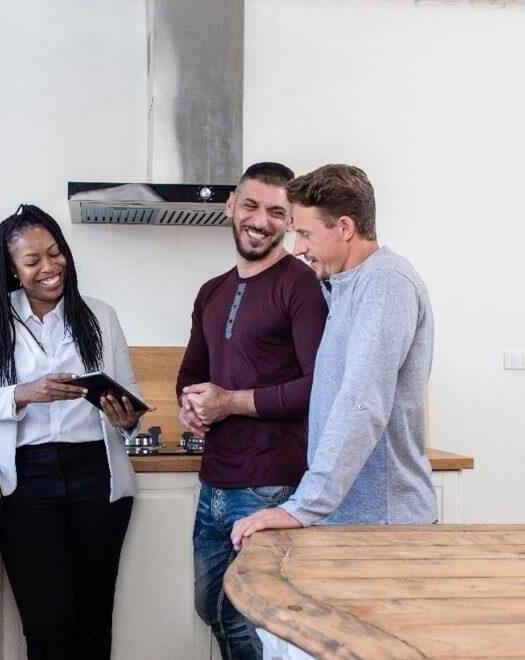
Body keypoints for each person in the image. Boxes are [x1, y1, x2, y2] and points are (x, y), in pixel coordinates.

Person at [0, 204, 151, 660]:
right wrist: (26, 393)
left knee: (93, 616)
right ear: (11, 269)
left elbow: (130, 398)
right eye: (32, 261)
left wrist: (128, 419)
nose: (49, 267)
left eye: (55, 252)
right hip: (27, 481)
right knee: (47, 622)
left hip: (95, 477)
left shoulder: (99, 315)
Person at [231, 164, 436, 551]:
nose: (298, 248)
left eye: (306, 234)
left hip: (384, 526)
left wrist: (304, 506)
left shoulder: (386, 282)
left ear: (344, 228)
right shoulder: (344, 287)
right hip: (352, 520)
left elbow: (363, 401)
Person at [176, 162, 328, 660]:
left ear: (289, 221)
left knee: (257, 618)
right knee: (210, 605)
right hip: (214, 482)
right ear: (231, 206)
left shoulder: (301, 285)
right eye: (251, 205)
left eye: (276, 212)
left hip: (273, 485)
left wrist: (230, 402)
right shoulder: (210, 292)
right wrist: (191, 407)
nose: (261, 220)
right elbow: (190, 375)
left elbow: (318, 386)